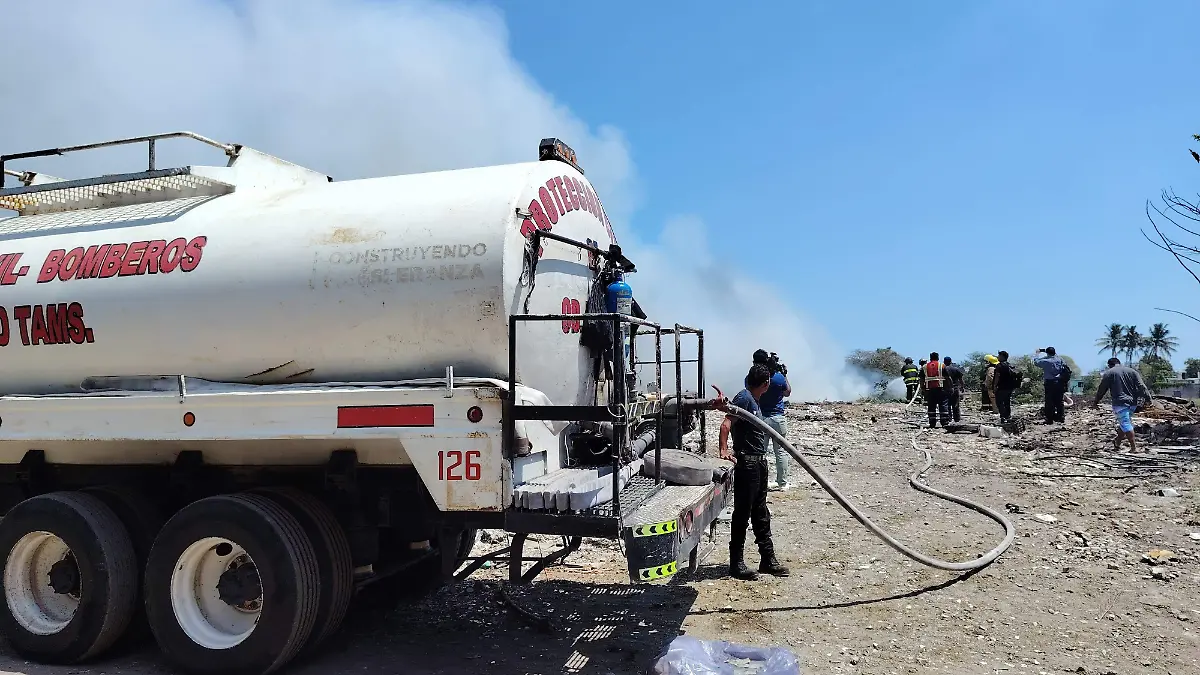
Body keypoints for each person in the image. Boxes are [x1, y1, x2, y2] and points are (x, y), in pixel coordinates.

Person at [718, 364, 790, 580]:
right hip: (747, 464)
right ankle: (736, 563)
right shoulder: (744, 398)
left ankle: (768, 560)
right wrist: (723, 450)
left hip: (758, 463)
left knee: (760, 513)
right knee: (742, 513)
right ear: (766, 383)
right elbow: (726, 424)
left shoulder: (752, 399)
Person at [1092, 357, 1154, 452]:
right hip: (1132, 404)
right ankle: (1117, 443)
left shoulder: (1109, 373)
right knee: (1124, 423)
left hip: (1120, 404)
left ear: (1109, 365)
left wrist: (1096, 402)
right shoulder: (1132, 371)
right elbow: (1142, 386)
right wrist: (1149, 399)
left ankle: (1133, 448)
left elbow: (1102, 389)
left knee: (1126, 424)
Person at [753, 349, 792, 491]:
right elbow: (787, 392)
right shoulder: (778, 377)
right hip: (778, 418)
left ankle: (759, 482)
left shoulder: (753, 377)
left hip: (760, 418)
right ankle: (782, 483)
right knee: (780, 452)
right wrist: (784, 374)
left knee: (760, 452)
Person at [1033, 347, 1067, 424]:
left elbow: (1036, 362)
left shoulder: (1046, 361)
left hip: (1049, 383)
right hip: (1059, 382)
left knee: (1049, 401)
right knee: (1059, 401)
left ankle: (1049, 419)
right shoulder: (1060, 359)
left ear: (1047, 353)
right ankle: (1061, 417)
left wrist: (1037, 354)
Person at [922, 352, 950, 428]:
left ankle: (932, 423)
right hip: (941, 389)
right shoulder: (942, 365)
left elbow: (921, 379)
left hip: (929, 389)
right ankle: (944, 422)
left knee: (931, 406)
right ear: (938, 358)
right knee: (943, 405)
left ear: (930, 358)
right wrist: (949, 387)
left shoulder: (924, 367)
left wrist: (923, 389)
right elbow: (947, 378)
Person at [993, 351, 1022, 423]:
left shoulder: (999, 365)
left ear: (1002, 357)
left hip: (1001, 387)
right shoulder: (1010, 365)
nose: (998, 357)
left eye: (999, 356)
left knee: (999, 402)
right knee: (1007, 402)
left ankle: (1003, 417)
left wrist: (994, 386)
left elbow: (997, 376)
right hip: (1010, 387)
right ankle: (1008, 416)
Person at [942, 356, 966, 423]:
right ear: (951, 362)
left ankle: (949, 419)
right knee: (955, 405)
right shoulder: (955, 369)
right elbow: (961, 379)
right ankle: (957, 419)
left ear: (944, 362)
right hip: (955, 389)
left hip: (946, 389)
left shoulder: (942, 369)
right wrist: (962, 387)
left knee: (947, 405)